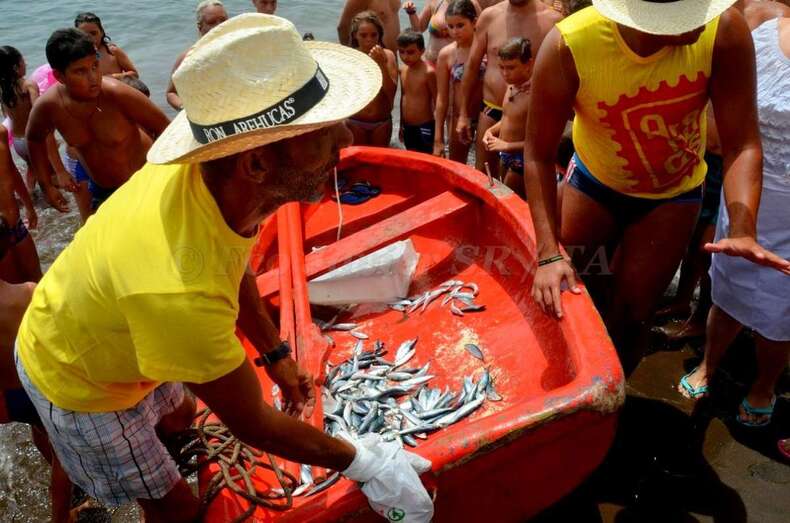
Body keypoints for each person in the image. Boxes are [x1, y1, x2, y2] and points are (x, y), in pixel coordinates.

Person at [15, 15, 433, 522]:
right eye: (322, 132)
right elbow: (252, 423)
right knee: (176, 509)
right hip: (77, 378)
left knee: (183, 415)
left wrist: (275, 354)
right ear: (255, 165)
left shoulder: (218, 188)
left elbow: (233, 265)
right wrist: (365, 462)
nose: (344, 138)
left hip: (115, 321)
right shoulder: (179, 288)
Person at [523, 1, 790, 377]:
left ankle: (612, 393)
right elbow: (537, 154)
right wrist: (548, 254)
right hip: (593, 184)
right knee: (576, 295)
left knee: (634, 313)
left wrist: (744, 227)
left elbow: (742, 143)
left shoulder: (723, 31)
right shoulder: (570, 44)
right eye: (685, 19)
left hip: (672, 196)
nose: (700, 22)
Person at [677, 13, 790, 429]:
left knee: (782, 305)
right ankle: (709, 363)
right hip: (746, 191)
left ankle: (764, 386)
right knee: (727, 285)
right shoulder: (759, 30)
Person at [26, 29, 170, 214]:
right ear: (59, 76)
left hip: (146, 180)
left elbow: (166, 128)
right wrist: (47, 186)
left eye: (95, 66)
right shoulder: (49, 106)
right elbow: (34, 138)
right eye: (80, 71)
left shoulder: (117, 94)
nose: (93, 77)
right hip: (104, 191)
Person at [457, 0, 562, 175]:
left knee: (521, 178)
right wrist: (463, 114)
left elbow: (563, 70)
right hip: (491, 110)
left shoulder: (553, 20)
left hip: (528, 115)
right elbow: (472, 65)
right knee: (484, 174)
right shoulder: (490, 16)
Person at [0, 46, 70, 192]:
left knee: (32, 169)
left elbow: (7, 116)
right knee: (50, 174)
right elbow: (38, 111)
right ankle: (59, 198)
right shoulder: (28, 84)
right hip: (33, 139)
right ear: (16, 67)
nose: (25, 62)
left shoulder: (4, 91)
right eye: (22, 60)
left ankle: (32, 194)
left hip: (18, 142)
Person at [482, 37, 532, 197]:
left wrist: (506, 145)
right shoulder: (512, 85)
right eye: (501, 67)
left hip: (523, 158)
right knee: (503, 192)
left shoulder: (535, 94)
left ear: (528, 64)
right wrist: (490, 131)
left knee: (509, 199)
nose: (505, 73)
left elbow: (542, 141)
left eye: (511, 68)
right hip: (504, 153)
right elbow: (508, 118)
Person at [433, 0, 482, 161]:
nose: (455, 31)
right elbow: (442, 98)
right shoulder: (446, 54)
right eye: (450, 26)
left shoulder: (485, 49)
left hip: (485, 117)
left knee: (485, 167)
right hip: (458, 117)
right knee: (456, 164)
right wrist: (438, 138)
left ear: (474, 22)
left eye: (460, 25)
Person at [345, 11, 398, 146]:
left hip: (381, 122)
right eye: (363, 35)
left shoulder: (388, 55)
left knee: (380, 159)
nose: (369, 39)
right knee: (357, 159)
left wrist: (381, 64)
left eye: (374, 35)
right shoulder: (350, 57)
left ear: (379, 35)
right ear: (355, 35)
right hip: (355, 120)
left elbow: (391, 91)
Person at [166, 1, 229, 111]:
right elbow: (171, 93)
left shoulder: (243, 48)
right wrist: (185, 109)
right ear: (200, 27)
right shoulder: (189, 58)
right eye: (211, 22)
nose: (219, 25)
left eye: (223, 20)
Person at [0, 125, 40, 284]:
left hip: (15, 224)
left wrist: (29, 206)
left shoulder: (1, 132)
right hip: (0, 234)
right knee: (12, 288)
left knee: (37, 281)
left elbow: (12, 171)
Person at [402, 0, 482, 65]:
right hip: (431, 61)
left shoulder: (471, 3)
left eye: (460, 25)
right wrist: (411, 12)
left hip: (456, 64)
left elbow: (482, 32)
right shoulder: (434, 2)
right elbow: (418, 30)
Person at [398, 30, 437, 153]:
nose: (405, 57)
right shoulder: (402, 70)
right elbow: (403, 98)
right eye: (401, 52)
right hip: (407, 126)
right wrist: (401, 125)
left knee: (427, 157)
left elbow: (438, 102)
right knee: (411, 157)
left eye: (410, 52)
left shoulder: (429, 72)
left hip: (425, 126)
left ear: (422, 51)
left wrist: (439, 135)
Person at [74, 12, 139, 79]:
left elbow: (134, 74)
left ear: (102, 32)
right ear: (77, 36)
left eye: (93, 33)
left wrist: (110, 78)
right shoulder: (75, 57)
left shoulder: (112, 51)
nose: (90, 38)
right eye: (84, 34)